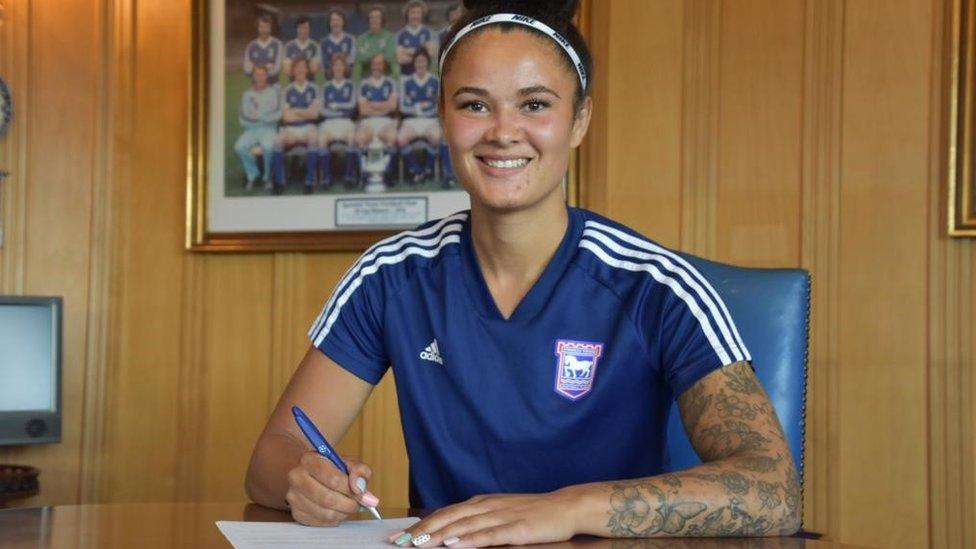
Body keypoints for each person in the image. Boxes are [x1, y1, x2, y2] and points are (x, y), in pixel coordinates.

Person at [245, 0, 801, 546]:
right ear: (443, 116)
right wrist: (305, 481)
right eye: (474, 105)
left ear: (580, 119)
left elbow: (773, 489)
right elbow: (274, 455)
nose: (503, 132)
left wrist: (564, 510)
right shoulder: (391, 277)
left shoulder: (657, 286)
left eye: (535, 105)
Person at [271, 57, 319, 194]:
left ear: (307, 70)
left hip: (308, 128)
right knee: (278, 140)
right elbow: (286, 117)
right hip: (291, 130)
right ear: (292, 70)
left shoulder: (313, 88)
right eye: (297, 67)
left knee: (313, 137)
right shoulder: (287, 90)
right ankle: (279, 182)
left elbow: (314, 115)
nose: (300, 69)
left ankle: (309, 181)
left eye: (303, 66)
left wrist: (296, 111)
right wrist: (305, 111)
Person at [233, 64, 280, 190]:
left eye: (263, 74)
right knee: (239, 147)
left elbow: (277, 114)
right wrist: (256, 119)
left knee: (268, 147)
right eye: (257, 74)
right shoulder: (247, 94)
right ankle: (253, 174)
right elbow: (242, 119)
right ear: (253, 76)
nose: (260, 77)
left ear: (267, 76)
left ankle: (267, 178)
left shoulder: (273, 92)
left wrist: (261, 117)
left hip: (268, 128)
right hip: (252, 129)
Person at [397, 50, 440, 184]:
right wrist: (423, 106)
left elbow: (438, 105)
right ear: (414, 64)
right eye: (418, 62)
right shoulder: (406, 82)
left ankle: (427, 170)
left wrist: (417, 106)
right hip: (411, 121)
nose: (420, 64)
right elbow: (403, 106)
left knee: (436, 137)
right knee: (401, 139)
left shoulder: (435, 80)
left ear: (427, 63)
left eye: (423, 61)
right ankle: (415, 170)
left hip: (430, 120)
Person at [354, 54, 399, 185]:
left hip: (386, 121)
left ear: (384, 66)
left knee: (392, 137)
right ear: (370, 66)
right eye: (374, 64)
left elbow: (393, 106)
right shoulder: (364, 84)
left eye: (379, 64)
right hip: (368, 121)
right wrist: (384, 105)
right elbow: (363, 110)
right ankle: (364, 173)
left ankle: (387, 172)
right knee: (360, 138)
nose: (376, 67)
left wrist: (372, 104)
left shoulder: (390, 83)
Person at [317, 55, 357, 188]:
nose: (338, 68)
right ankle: (327, 177)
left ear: (344, 68)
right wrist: (340, 111)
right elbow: (322, 110)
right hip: (329, 123)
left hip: (346, 122)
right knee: (322, 139)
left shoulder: (350, 85)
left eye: (341, 65)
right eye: (335, 65)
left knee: (352, 137)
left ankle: (349, 176)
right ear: (332, 68)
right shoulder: (326, 86)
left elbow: (352, 106)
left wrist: (336, 106)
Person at [353, 5, 398, 81]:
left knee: (395, 64)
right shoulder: (361, 39)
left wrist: (370, 56)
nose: (374, 20)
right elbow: (361, 57)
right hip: (366, 78)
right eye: (372, 17)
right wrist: (379, 55)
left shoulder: (390, 37)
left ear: (382, 20)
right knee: (357, 65)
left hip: (385, 77)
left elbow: (389, 56)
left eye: (377, 17)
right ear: (369, 20)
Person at [395, 0, 436, 77]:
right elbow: (400, 59)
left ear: (422, 15)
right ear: (407, 15)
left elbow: (430, 54)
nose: (415, 16)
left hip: (424, 77)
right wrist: (421, 52)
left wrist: (408, 51)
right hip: (406, 76)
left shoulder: (428, 33)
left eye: (418, 13)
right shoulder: (401, 35)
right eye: (412, 13)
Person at [243, 14, 283, 83]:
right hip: (256, 85)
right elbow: (247, 70)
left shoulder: (277, 44)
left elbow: (276, 69)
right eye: (261, 27)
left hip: (273, 84)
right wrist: (266, 67)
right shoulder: (251, 46)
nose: (264, 30)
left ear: (270, 28)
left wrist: (255, 68)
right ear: (257, 28)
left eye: (267, 27)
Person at [320, 9, 356, 75]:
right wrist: (335, 66)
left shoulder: (350, 39)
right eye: (333, 20)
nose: (336, 23)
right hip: (330, 79)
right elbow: (323, 64)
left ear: (343, 22)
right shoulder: (324, 42)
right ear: (329, 23)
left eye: (338, 20)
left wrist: (340, 64)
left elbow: (352, 61)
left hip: (346, 78)